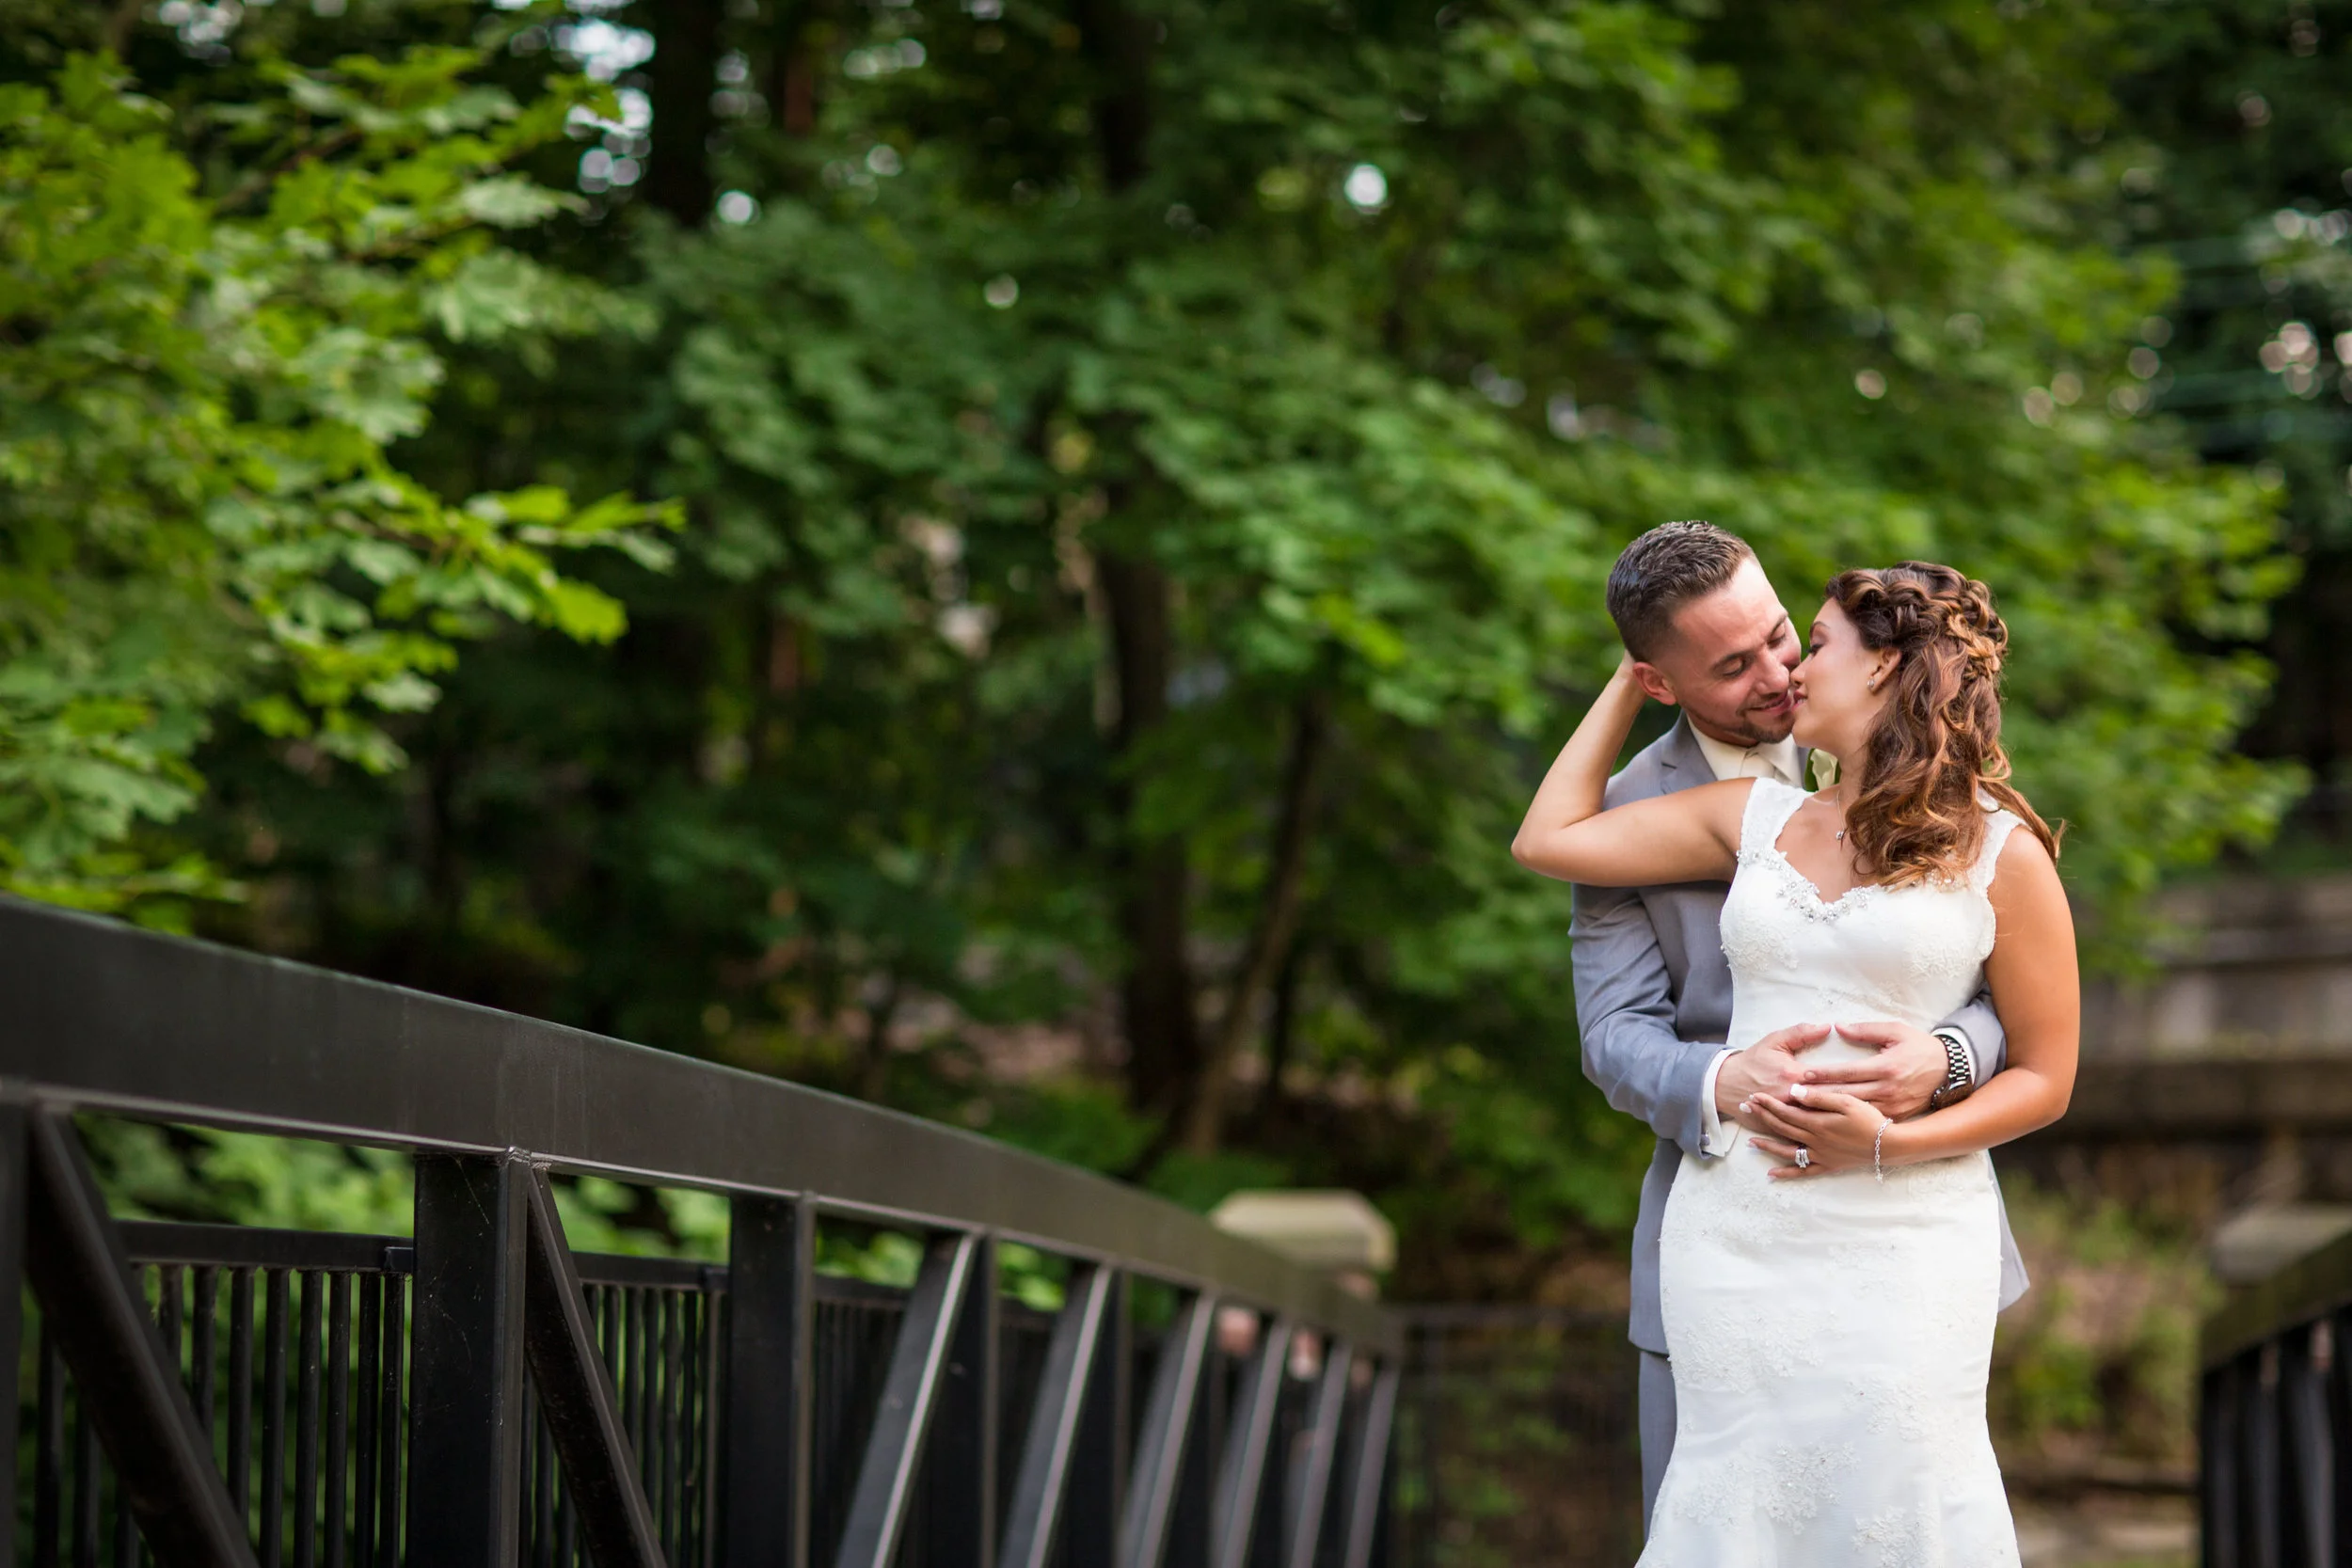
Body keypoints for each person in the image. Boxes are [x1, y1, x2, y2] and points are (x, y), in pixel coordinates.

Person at [1515, 538, 2075, 1564]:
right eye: (1735, 665)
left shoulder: (1980, 826)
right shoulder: (1694, 808)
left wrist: (1939, 1063)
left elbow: (2018, 1018)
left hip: (1911, 1233)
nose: (1779, 672)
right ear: (1657, 679)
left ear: (1880, 666)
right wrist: (1723, 1077)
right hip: (1736, 1227)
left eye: (1788, 638)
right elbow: (1609, 1027)